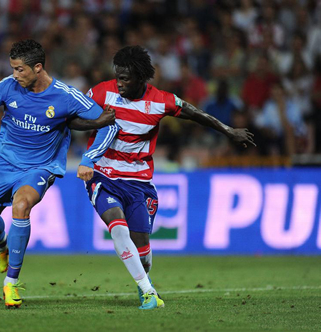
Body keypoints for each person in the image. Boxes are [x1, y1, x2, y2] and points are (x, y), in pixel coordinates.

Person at [0, 39, 118, 308]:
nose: (15, 75)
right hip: (4, 164)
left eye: (20, 70)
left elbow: (108, 125)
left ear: (37, 68)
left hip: (41, 166)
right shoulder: (7, 86)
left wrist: (89, 159)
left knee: (21, 205)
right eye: (13, 69)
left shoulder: (66, 95)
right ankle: (2, 245)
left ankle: (11, 284)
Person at [68, 45, 256, 310]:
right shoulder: (101, 92)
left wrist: (228, 131)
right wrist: (98, 123)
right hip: (104, 174)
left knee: (142, 246)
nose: (119, 83)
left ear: (142, 77)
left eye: (126, 78)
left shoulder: (161, 101)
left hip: (139, 181)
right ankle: (148, 293)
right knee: (117, 227)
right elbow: (73, 120)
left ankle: (142, 279)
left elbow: (196, 114)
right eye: (117, 76)